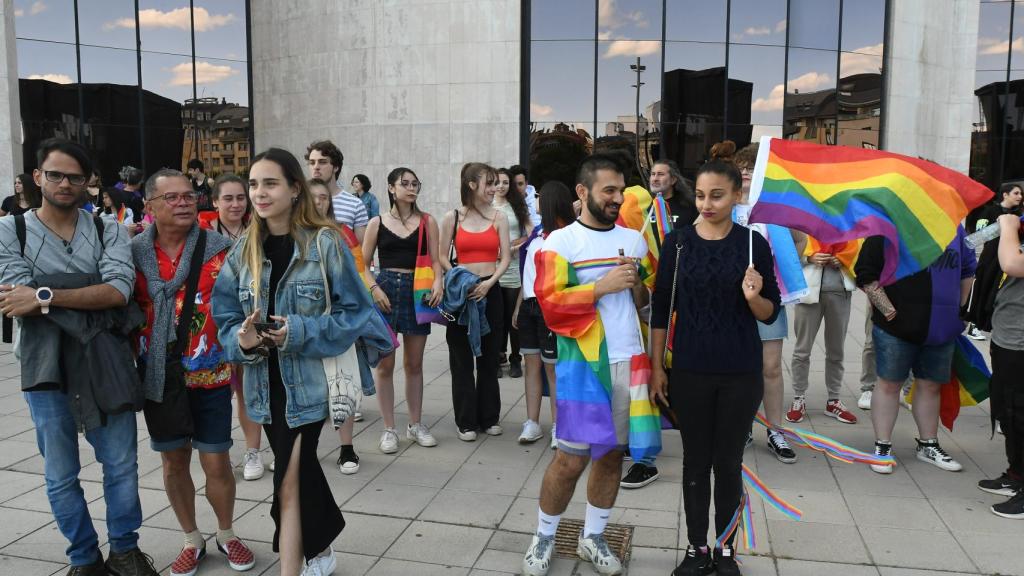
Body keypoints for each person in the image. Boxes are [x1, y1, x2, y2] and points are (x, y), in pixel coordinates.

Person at [212, 148, 392, 576]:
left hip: (308, 383)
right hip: (262, 385)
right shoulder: (245, 249)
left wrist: (298, 331)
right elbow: (224, 317)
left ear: (295, 189)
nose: (258, 193)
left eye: (270, 183)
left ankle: (293, 566)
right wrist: (244, 338)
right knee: (296, 472)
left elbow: (357, 313)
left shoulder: (324, 241)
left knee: (290, 475)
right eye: (253, 184)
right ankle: (321, 546)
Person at [0, 138, 157, 576]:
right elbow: (14, 297)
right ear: (37, 177)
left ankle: (125, 551)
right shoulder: (10, 231)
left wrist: (44, 294)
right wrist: (87, 292)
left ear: (89, 182)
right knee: (60, 471)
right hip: (44, 365)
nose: (65, 183)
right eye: (55, 175)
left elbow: (118, 290)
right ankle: (84, 558)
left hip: (105, 362)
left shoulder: (108, 229)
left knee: (121, 464)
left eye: (75, 176)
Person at [648, 159, 781, 576]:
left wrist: (753, 296)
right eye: (702, 195)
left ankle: (725, 550)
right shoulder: (679, 243)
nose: (707, 203)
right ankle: (696, 548)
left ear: (737, 195)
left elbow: (769, 312)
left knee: (727, 464)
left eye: (717, 195)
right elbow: (660, 311)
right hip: (689, 369)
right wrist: (657, 367)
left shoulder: (752, 245)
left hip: (740, 371)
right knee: (694, 462)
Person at [522, 155, 651, 576]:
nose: (617, 198)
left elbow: (645, 304)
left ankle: (593, 537)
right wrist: (601, 286)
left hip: (629, 360)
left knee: (611, 456)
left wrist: (635, 288)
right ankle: (544, 536)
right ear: (583, 192)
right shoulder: (557, 243)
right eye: (608, 190)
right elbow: (551, 305)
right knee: (571, 459)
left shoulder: (635, 241)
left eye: (621, 190)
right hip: (583, 365)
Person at [133, 169, 255, 576]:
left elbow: (242, 297)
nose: (184, 202)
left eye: (189, 195)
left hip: (212, 373)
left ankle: (227, 532)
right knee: (173, 463)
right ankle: (191, 537)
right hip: (160, 376)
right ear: (150, 205)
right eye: (172, 197)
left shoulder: (220, 247)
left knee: (217, 461)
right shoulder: (132, 253)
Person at [855, 227, 976, 474]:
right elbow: (866, 273)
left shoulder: (954, 228)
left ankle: (928, 444)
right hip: (895, 328)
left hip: (942, 326)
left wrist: (961, 313)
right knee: (889, 384)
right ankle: (882, 446)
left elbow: (967, 270)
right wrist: (889, 312)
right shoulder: (888, 223)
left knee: (931, 384)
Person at [620, 158, 699, 490]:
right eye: (651, 174)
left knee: (670, 374)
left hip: (677, 299)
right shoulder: (642, 214)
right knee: (647, 378)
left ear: (673, 178)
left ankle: (693, 438)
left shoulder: (686, 208)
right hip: (648, 305)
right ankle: (641, 449)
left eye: (661, 173)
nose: (655, 178)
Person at [362, 167, 443, 454]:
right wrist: (374, 289)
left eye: (415, 183)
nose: (411, 188)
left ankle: (415, 424)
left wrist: (439, 282)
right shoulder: (377, 222)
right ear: (391, 188)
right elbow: (363, 264)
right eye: (405, 183)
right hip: (386, 289)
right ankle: (388, 428)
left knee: (414, 363)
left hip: (416, 290)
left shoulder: (427, 221)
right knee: (385, 365)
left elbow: (436, 260)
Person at [733, 142, 804, 464]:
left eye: (753, 166)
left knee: (771, 367)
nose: (747, 171)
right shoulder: (725, 205)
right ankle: (743, 425)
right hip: (731, 300)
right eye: (742, 166)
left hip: (768, 297)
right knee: (739, 366)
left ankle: (776, 430)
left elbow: (799, 239)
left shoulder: (774, 207)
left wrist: (787, 268)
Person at [439, 163, 512, 440]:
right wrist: (458, 276)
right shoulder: (452, 217)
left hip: (490, 291)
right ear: (472, 185)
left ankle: (489, 417)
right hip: (461, 294)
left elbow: (505, 257)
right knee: (461, 360)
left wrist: (489, 283)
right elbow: (442, 255)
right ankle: (466, 421)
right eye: (489, 183)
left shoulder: (499, 217)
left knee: (490, 357)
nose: (494, 189)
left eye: (496, 184)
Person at [200, 174, 264, 480]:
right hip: (213, 324)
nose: (236, 204)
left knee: (249, 388)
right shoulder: (202, 235)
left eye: (241, 197)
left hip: (252, 321)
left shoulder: (259, 230)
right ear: (214, 202)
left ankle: (254, 451)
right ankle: (218, 454)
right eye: (228, 198)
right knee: (218, 392)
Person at [309, 177, 374, 474]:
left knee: (343, 385)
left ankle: (347, 448)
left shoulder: (341, 234)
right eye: (314, 197)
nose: (319, 202)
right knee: (310, 389)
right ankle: (305, 448)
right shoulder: (293, 234)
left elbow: (356, 275)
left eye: (324, 197)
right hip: (306, 323)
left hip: (337, 321)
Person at [512, 181, 575, 446]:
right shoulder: (536, 232)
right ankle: (532, 422)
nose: (534, 198)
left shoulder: (567, 235)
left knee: (553, 369)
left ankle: (559, 426)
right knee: (531, 365)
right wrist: (518, 306)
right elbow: (527, 272)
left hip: (551, 307)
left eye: (539, 196)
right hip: (528, 305)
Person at [978, 212, 1024, 518]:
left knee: (1020, 413)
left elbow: (1012, 264)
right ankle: (1016, 475)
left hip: (1020, 341)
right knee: (1009, 411)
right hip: (1009, 336)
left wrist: (1007, 227)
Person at [788, 236, 858, 431]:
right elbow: (787, 252)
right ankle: (798, 397)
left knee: (836, 350)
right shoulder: (804, 220)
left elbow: (859, 252)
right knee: (802, 349)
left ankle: (834, 400)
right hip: (808, 291)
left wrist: (842, 260)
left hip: (840, 291)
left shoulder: (847, 223)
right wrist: (809, 259)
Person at [965, 183, 1024, 340]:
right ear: (1005, 194)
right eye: (1016, 193)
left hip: (1006, 260)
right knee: (982, 287)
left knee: (995, 292)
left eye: (1021, 193)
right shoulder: (990, 211)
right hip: (990, 258)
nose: (1020, 196)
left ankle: (986, 322)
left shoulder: (1018, 215)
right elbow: (978, 235)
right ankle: (973, 324)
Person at [494, 167, 531, 378]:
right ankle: (498, 356)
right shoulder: (486, 207)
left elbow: (531, 232)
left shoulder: (517, 206)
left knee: (513, 318)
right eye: (497, 182)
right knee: (496, 318)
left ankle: (516, 358)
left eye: (505, 182)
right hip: (492, 269)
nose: (501, 186)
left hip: (513, 269)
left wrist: (515, 246)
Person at [305, 140, 368, 241]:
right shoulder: (300, 199)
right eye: (312, 163)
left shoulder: (355, 204)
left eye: (322, 162)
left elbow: (360, 251)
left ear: (336, 167)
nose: (316, 167)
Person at [648, 159, 698, 229]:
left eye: (660, 174)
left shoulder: (689, 208)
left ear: (673, 180)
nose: (655, 179)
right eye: (653, 174)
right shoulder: (644, 206)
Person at [510, 164, 542, 229]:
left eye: (520, 184)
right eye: (514, 184)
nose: (517, 188)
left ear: (526, 183)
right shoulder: (505, 202)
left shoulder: (538, 199)